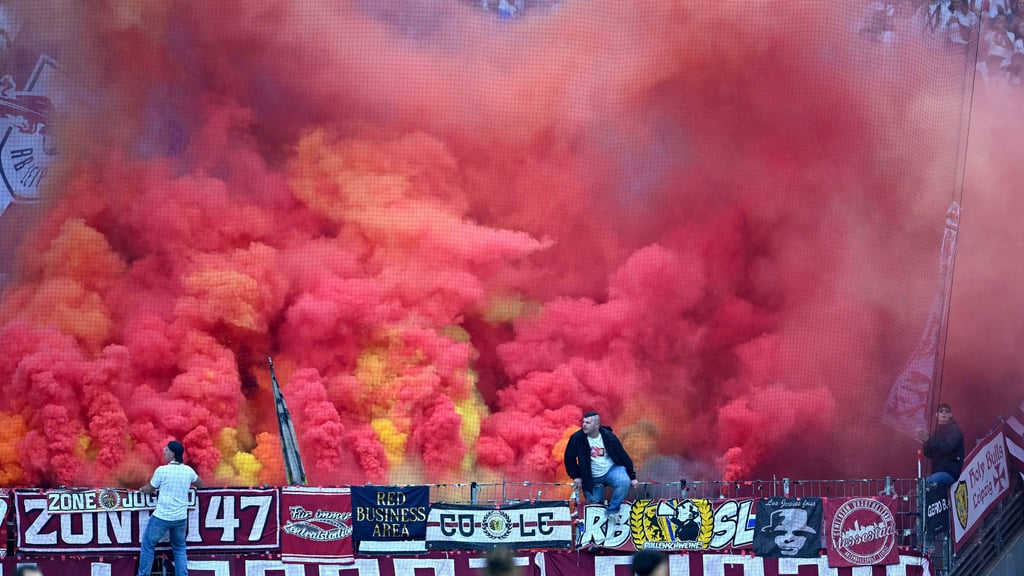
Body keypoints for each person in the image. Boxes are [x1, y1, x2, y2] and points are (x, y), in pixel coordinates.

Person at [137, 440, 203, 576]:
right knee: (179, 549)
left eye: (166, 450)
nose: (163, 451)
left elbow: (150, 489)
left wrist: (142, 489)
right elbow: (200, 484)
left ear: (172, 454)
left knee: (148, 545)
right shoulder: (188, 471)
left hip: (162, 517)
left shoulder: (162, 471)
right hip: (180, 519)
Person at [564, 411, 638, 525]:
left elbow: (623, 456)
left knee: (624, 482)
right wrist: (576, 476)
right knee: (594, 506)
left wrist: (632, 477)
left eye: (588, 423)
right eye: (583, 422)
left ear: (596, 425)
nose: (584, 425)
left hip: (611, 470)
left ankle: (612, 510)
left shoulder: (608, 436)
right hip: (591, 477)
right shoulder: (577, 438)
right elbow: (569, 458)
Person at [916, 403, 965, 488]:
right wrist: (925, 442)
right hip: (938, 472)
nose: (944, 413)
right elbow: (929, 454)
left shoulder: (954, 430)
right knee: (922, 486)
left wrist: (929, 440)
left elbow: (947, 448)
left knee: (923, 485)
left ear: (950, 415)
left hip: (949, 472)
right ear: (937, 415)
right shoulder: (936, 432)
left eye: (946, 411)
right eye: (941, 411)